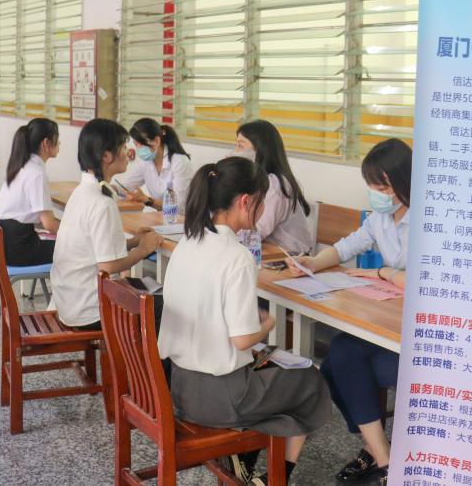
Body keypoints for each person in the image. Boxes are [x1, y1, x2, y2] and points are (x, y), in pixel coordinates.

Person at [159, 156, 330, 486]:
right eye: (261, 203)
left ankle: (247, 455)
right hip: (223, 398)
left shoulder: (187, 242)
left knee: (278, 376)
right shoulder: (236, 257)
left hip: (180, 389)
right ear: (245, 201)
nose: (263, 210)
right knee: (310, 380)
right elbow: (241, 340)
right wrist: (266, 325)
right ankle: (277, 475)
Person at [286, 138, 411, 484]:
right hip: (389, 323)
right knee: (338, 360)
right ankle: (381, 455)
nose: (377, 194)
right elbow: (345, 248)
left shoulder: (429, 221)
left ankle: (377, 454)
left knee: (339, 361)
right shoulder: (380, 218)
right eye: (373, 186)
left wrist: (384, 273)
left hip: (418, 340)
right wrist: (312, 262)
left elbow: (427, 282)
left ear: (404, 182)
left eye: (382, 187)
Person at [50, 118, 162, 330]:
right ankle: (130, 353)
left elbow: (96, 248)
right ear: (106, 156)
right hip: (90, 310)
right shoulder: (102, 202)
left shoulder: (82, 192)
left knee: (150, 294)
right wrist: (143, 250)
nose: (128, 152)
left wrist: (134, 241)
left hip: (69, 301)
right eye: (123, 147)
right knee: (165, 309)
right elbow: (108, 267)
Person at [233, 120, 314, 255]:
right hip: (268, 250)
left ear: (260, 149)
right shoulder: (253, 180)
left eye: (240, 146)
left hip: (291, 258)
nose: (235, 151)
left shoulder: (276, 185)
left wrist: (224, 239)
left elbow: (256, 232)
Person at [0, 118, 61, 267]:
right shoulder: (37, 173)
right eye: (57, 138)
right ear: (46, 143)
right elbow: (49, 224)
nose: (59, 143)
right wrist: (76, 233)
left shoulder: (22, 165)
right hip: (19, 249)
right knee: (76, 249)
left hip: (6, 244)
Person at [115, 117, 193, 211]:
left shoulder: (180, 162)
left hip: (181, 217)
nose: (138, 149)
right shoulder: (145, 162)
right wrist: (111, 188)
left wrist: (146, 200)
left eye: (140, 144)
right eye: (135, 144)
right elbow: (126, 187)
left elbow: (178, 206)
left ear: (156, 141)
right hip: (161, 216)